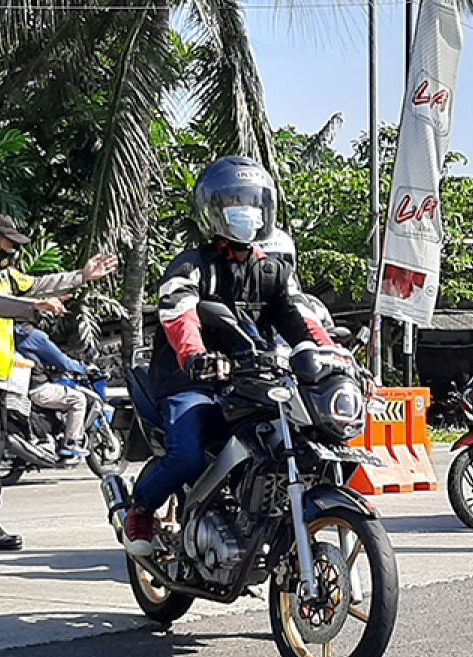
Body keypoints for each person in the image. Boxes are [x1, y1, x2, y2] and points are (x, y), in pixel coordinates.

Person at [123, 156, 335, 557]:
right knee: (186, 454)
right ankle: (142, 507)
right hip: (192, 380)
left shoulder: (273, 272)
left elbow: (301, 318)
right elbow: (179, 313)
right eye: (236, 201)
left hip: (256, 380)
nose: (247, 211)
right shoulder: (192, 265)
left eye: (253, 201)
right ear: (214, 209)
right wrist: (196, 356)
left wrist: (333, 358)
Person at [0, 213, 117, 551]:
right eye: (11, 246)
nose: (14, 253)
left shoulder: (3, 275)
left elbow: (39, 284)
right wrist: (34, 307)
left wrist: (82, 276)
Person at [15, 323, 92, 462]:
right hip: (37, 388)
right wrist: (84, 369)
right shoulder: (35, 336)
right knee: (78, 399)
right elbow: (62, 361)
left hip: (19, 388)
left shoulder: (12, 335)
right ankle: (70, 443)